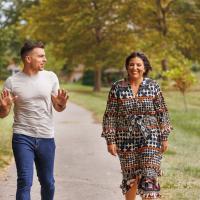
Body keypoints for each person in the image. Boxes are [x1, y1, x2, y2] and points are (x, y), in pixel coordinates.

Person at [0, 41, 68, 200]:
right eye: (41, 56)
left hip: (46, 137)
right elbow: (3, 114)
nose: (45, 59)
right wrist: (3, 106)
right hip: (22, 136)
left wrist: (62, 104)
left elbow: (58, 107)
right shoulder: (12, 82)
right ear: (28, 59)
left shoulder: (51, 77)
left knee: (48, 182)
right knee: (24, 181)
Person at [102, 51, 172, 200]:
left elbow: (162, 112)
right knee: (131, 177)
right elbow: (110, 115)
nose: (135, 68)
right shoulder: (117, 88)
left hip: (150, 138)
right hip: (125, 138)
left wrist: (164, 137)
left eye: (138, 65)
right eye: (131, 65)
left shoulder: (153, 86)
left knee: (149, 175)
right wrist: (110, 140)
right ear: (127, 67)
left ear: (145, 67)